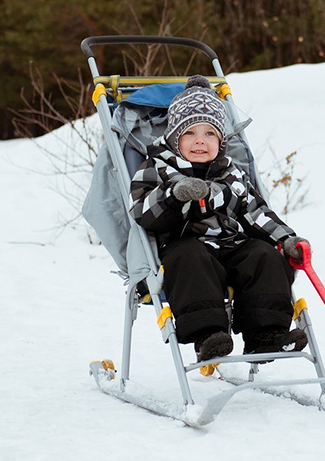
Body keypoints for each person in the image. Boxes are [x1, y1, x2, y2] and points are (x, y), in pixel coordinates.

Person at [130, 75, 311, 362]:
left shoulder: (231, 173)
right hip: (184, 243)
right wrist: (174, 195)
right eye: (189, 133)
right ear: (175, 137)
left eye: (209, 133)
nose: (199, 141)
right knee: (189, 258)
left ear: (221, 139)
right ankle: (209, 336)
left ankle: (265, 335)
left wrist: (286, 238)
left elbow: (256, 212)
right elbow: (143, 212)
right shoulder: (157, 169)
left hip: (231, 244)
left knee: (263, 255)